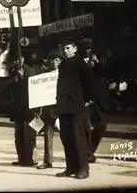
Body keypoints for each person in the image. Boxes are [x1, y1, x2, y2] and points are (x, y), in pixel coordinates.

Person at [55, 38, 95, 179]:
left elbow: (89, 82)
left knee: (78, 139)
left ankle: (83, 169)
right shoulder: (63, 65)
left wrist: (87, 100)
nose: (65, 51)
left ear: (75, 49)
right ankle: (70, 168)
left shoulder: (80, 64)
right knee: (67, 139)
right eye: (63, 49)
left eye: (68, 48)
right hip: (63, 107)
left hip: (76, 107)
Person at [79, 38, 109, 164]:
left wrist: (97, 64)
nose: (88, 50)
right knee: (85, 127)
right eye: (85, 48)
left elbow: (105, 74)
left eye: (90, 48)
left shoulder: (97, 60)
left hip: (98, 100)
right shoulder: (78, 62)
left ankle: (90, 150)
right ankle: (87, 153)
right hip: (84, 99)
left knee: (101, 125)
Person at [9, 56, 37, 167]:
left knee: (28, 136)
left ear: (23, 59)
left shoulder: (30, 70)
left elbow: (32, 88)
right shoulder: (13, 71)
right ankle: (21, 158)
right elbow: (8, 85)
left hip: (28, 108)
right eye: (15, 60)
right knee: (18, 136)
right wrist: (16, 78)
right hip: (18, 108)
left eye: (19, 59)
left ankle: (29, 159)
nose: (17, 61)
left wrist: (23, 79)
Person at [36, 51, 62, 170]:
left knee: (68, 136)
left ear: (60, 61)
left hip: (62, 108)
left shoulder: (64, 74)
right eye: (52, 60)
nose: (54, 62)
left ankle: (74, 161)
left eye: (56, 60)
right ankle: (48, 161)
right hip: (48, 109)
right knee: (47, 135)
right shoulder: (45, 75)